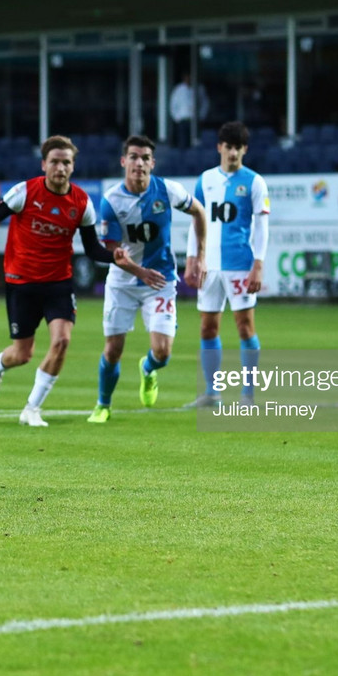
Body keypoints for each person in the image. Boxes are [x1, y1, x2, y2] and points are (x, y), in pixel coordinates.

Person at [0, 136, 147, 427]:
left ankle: (32, 408)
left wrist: (115, 256)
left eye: (66, 162)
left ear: (73, 166)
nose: (60, 167)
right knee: (22, 354)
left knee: (62, 341)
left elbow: (91, 249)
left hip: (58, 284)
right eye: (54, 161)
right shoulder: (25, 192)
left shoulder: (81, 202)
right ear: (44, 165)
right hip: (21, 283)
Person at [89, 135, 207, 423]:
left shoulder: (168, 190)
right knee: (113, 348)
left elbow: (199, 211)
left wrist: (198, 256)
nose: (139, 163)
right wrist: (141, 272)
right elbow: (112, 250)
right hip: (123, 282)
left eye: (144, 158)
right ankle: (103, 405)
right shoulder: (111, 201)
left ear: (152, 163)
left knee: (163, 352)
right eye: (133, 157)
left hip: (161, 281)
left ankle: (148, 369)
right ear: (123, 161)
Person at [186, 122, 270, 408]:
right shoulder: (205, 179)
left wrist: (258, 264)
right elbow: (196, 221)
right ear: (219, 147)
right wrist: (192, 259)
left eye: (238, 148)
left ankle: (248, 395)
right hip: (209, 265)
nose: (233, 152)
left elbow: (262, 226)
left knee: (245, 327)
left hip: (239, 264)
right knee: (208, 328)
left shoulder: (255, 182)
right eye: (228, 146)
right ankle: (213, 393)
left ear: (244, 150)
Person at [169, 73, 194, 149]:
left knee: (193, 142)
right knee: (182, 142)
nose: (188, 80)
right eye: (187, 78)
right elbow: (173, 104)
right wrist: (176, 117)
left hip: (193, 120)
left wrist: (201, 116)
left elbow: (204, 103)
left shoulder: (198, 88)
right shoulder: (179, 89)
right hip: (182, 119)